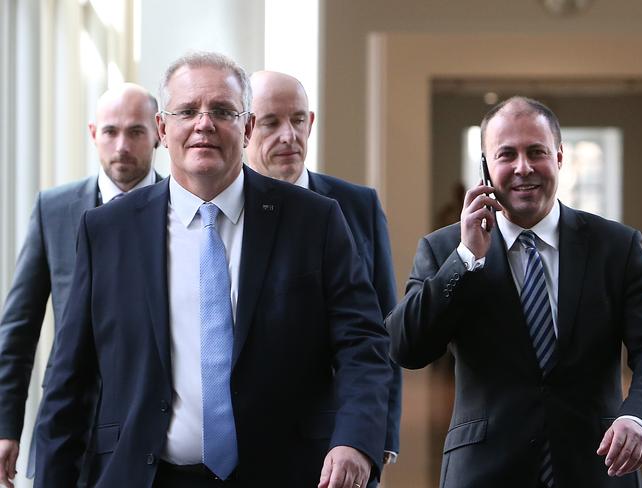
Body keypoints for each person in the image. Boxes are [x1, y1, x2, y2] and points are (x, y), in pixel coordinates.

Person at [34, 52, 392, 488]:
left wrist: (355, 438)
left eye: (222, 111)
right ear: (164, 130)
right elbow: (69, 381)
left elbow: (363, 343)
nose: (204, 123)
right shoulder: (107, 231)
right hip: (145, 476)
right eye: (187, 111)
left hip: (285, 474)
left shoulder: (313, 220)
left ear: (246, 127)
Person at [387, 96, 642, 487]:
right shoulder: (445, 250)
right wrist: (466, 258)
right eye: (506, 154)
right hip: (484, 472)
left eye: (536, 152)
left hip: (597, 468)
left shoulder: (617, 246)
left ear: (559, 157)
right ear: (486, 167)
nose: (523, 167)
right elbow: (405, 348)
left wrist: (638, 416)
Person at [0, 82, 160, 487]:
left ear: (158, 132)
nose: (122, 144)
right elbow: (19, 327)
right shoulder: (54, 209)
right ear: (93, 134)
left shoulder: (182, 209)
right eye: (110, 131)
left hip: (153, 431)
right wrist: (6, 425)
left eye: (136, 131)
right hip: (70, 424)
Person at [245, 70, 402, 473]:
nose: (288, 135)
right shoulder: (226, 213)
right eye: (270, 122)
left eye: (298, 120)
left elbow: (383, 328)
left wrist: (379, 435)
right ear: (246, 128)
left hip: (340, 433)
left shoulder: (358, 205)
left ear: (311, 122)